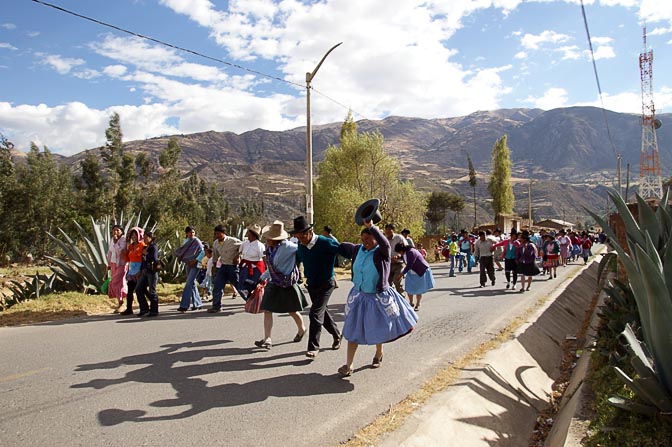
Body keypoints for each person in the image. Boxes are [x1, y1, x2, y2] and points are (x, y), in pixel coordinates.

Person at [336, 220, 418, 377]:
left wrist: (372, 227)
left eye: (369, 238)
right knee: (353, 328)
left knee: (379, 327)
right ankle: (349, 365)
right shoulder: (357, 250)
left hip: (377, 297)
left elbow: (385, 243)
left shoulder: (382, 252)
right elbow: (339, 246)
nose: (365, 242)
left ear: (376, 239)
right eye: (363, 239)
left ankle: (378, 353)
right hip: (359, 296)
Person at [291, 216, 342, 359]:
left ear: (310, 231)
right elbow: (297, 260)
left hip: (327, 283)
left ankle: (313, 347)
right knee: (322, 314)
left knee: (314, 314)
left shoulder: (326, 243)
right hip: (312, 285)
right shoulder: (301, 247)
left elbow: (344, 250)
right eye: (298, 237)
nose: (301, 240)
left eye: (303, 236)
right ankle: (337, 335)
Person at [253, 221, 308, 349]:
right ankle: (267, 339)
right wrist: (263, 277)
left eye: (270, 238)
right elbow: (272, 266)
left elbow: (304, 250)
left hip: (286, 283)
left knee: (292, 310)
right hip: (273, 283)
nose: (267, 240)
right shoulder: (270, 249)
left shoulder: (289, 247)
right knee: (267, 309)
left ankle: (302, 329)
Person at [208, 225, 243, 313]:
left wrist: (238, 256)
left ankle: (251, 301)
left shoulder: (233, 241)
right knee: (218, 286)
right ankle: (216, 306)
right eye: (215, 234)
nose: (217, 235)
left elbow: (243, 247)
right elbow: (215, 255)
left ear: (223, 233)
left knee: (239, 286)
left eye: (219, 233)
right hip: (223, 266)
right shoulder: (216, 243)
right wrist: (215, 266)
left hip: (232, 266)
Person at [395, 243, 435, 311]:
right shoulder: (406, 252)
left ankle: (418, 304)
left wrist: (401, 274)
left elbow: (409, 265)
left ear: (402, 250)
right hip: (411, 272)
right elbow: (404, 258)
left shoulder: (411, 252)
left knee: (419, 289)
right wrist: (398, 257)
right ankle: (411, 302)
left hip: (420, 271)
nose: (400, 253)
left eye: (399, 252)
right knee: (409, 287)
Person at [176, 226, 205, 312]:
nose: (191, 234)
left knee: (188, 283)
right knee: (192, 283)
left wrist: (195, 260)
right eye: (190, 232)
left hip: (195, 265)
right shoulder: (186, 242)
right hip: (188, 264)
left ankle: (184, 305)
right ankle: (198, 303)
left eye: (193, 232)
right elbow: (183, 252)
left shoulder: (197, 241)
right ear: (186, 233)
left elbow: (202, 252)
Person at [238, 224, 266, 301]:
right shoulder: (245, 243)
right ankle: (249, 300)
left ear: (254, 235)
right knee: (241, 287)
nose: (248, 235)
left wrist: (266, 270)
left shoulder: (259, 245)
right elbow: (239, 252)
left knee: (252, 286)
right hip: (245, 267)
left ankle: (254, 301)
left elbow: (264, 257)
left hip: (255, 269)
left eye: (249, 234)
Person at [135, 231, 160, 317]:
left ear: (151, 238)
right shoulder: (144, 248)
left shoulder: (154, 247)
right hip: (144, 271)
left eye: (146, 237)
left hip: (151, 271)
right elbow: (142, 260)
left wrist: (147, 254)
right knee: (138, 289)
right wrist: (140, 270)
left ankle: (154, 310)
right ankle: (144, 308)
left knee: (152, 291)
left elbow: (155, 258)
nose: (144, 239)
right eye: (144, 237)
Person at [121, 226, 144, 315]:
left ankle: (144, 308)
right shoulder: (130, 246)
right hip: (131, 271)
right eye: (132, 235)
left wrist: (141, 270)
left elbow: (143, 258)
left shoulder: (142, 245)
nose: (134, 237)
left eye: (135, 235)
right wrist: (124, 254)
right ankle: (129, 309)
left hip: (139, 270)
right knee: (130, 291)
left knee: (140, 290)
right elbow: (128, 259)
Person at [106, 224, 128, 313]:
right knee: (117, 283)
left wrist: (116, 243)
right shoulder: (112, 240)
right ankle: (121, 302)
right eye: (114, 230)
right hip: (113, 264)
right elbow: (110, 252)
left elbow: (121, 252)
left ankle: (122, 302)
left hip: (121, 264)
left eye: (118, 230)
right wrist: (108, 264)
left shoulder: (123, 240)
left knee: (117, 283)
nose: (115, 232)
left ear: (122, 232)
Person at [384, 223, 407, 294]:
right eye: (386, 229)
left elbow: (405, 248)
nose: (388, 231)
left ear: (393, 230)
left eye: (389, 229)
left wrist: (398, 256)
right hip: (388, 264)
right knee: (387, 283)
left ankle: (402, 299)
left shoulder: (399, 238)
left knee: (397, 281)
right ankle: (391, 300)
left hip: (399, 264)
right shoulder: (383, 239)